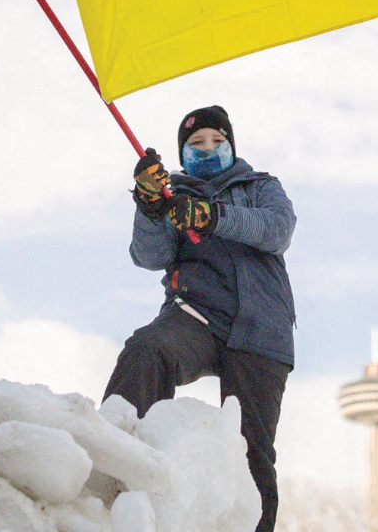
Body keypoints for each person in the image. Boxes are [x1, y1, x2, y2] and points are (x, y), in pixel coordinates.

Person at [103, 105, 297, 532]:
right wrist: (151, 210)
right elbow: (149, 257)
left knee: (252, 453)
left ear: (231, 146)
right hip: (196, 315)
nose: (207, 149)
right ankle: (115, 477)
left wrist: (213, 216)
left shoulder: (260, 186)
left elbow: (277, 229)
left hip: (260, 329)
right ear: (182, 153)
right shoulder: (173, 198)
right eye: (196, 144)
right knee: (147, 349)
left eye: (216, 141)